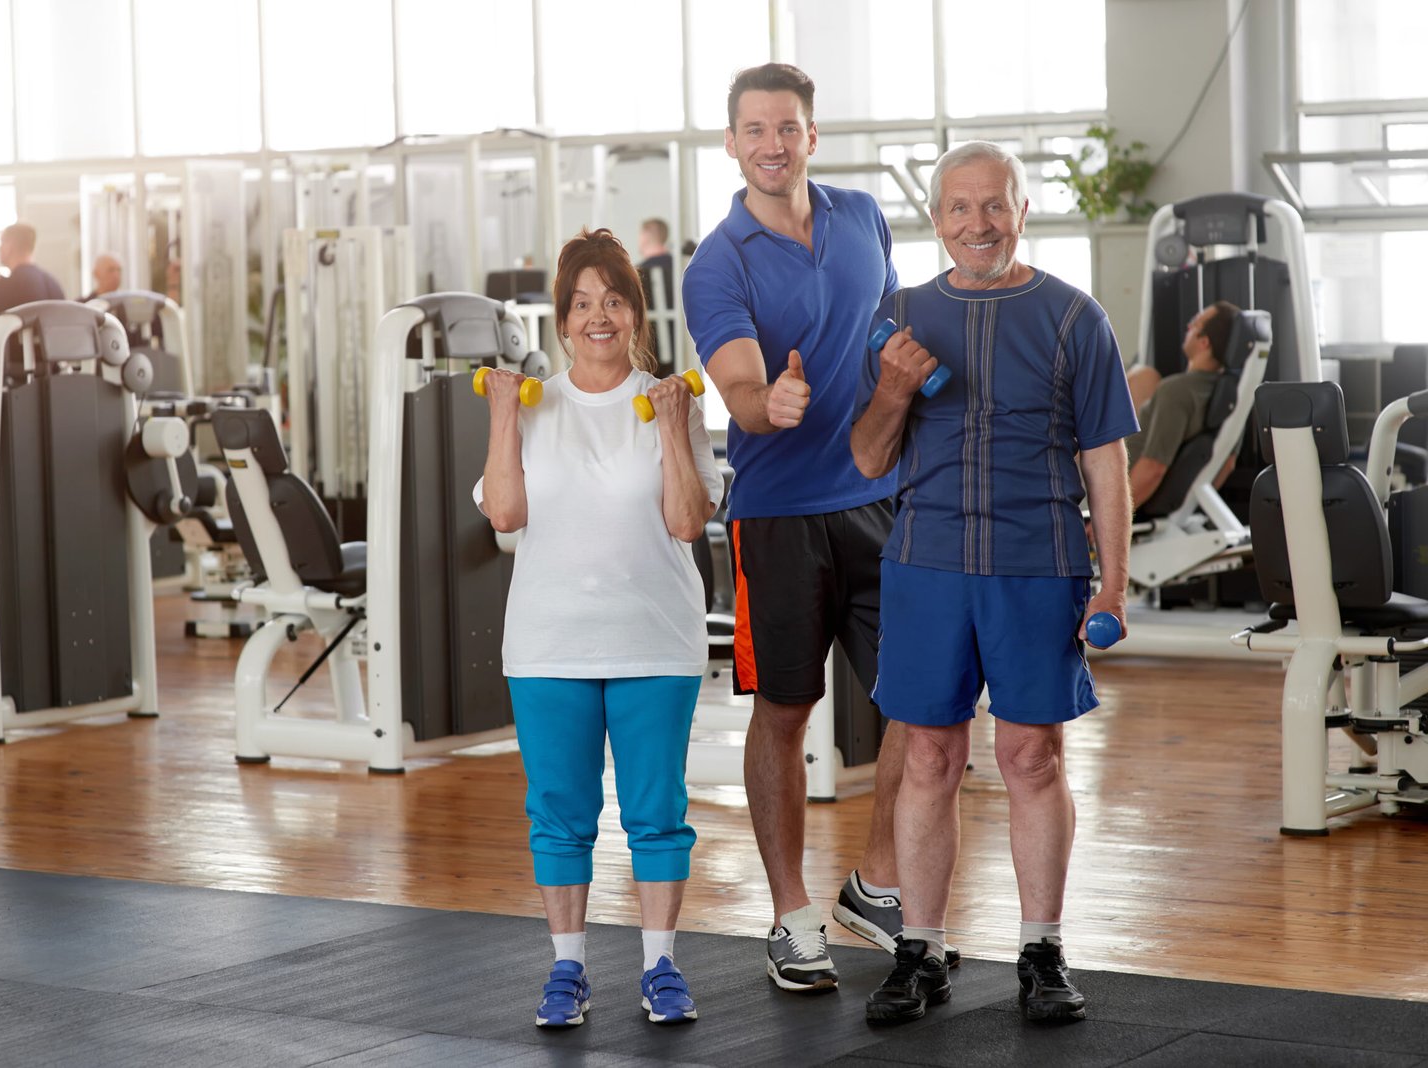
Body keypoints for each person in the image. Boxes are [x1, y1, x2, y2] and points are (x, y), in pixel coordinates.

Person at [849, 140, 1137, 1025]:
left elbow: (1106, 463)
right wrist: (894, 390)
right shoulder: (898, 315)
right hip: (927, 565)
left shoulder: (1074, 317)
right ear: (936, 219)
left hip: (1037, 564)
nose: (979, 223)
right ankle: (920, 950)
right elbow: (868, 459)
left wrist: (1113, 587)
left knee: (1030, 757)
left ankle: (1042, 950)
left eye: (995, 205)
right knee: (929, 759)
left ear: (1021, 212)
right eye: (960, 208)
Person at [681, 61, 936, 993]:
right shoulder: (718, 263)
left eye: (787, 127)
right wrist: (768, 403)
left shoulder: (862, 217)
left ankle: (875, 882)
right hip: (779, 516)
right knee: (784, 714)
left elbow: (886, 328)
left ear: (812, 136)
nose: (773, 144)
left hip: (880, 495)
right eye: (755, 129)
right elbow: (741, 389)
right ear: (731, 143)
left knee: (923, 699)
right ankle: (792, 917)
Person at [475, 227, 724, 1028]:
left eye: (613, 301)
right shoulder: (533, 407)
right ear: (562, 321)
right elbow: (504, 515)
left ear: (636, 315)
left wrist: (673, 425)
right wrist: (504, 415)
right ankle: (568, 970)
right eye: (582, 304)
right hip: (549, 642)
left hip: (656, 638)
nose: (598, 317)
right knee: (560, 814)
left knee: (657, 811)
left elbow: (686, 522)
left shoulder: (673, 402)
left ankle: (660, 967)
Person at [1124, 299, 1242, 512]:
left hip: (1112, 492)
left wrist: (1110, 517)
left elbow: (1153, 469)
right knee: (1143, 374)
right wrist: (1188, 508)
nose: (1188, 326)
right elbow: (1227, 464)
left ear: (1204, 342)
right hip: (1165, 502)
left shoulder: (1176, 390)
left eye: (1195, 324)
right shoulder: (1230, 397)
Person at [0, 223, 66, 335]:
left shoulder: (5, 286)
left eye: (2, 242)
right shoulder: (53, 284)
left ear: (9, 246)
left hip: (18, 347)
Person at [637, 218, 676, 372]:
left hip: (651, 357)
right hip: (681, 349)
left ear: (645, 236)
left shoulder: (637, 274)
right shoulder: (681, 268)